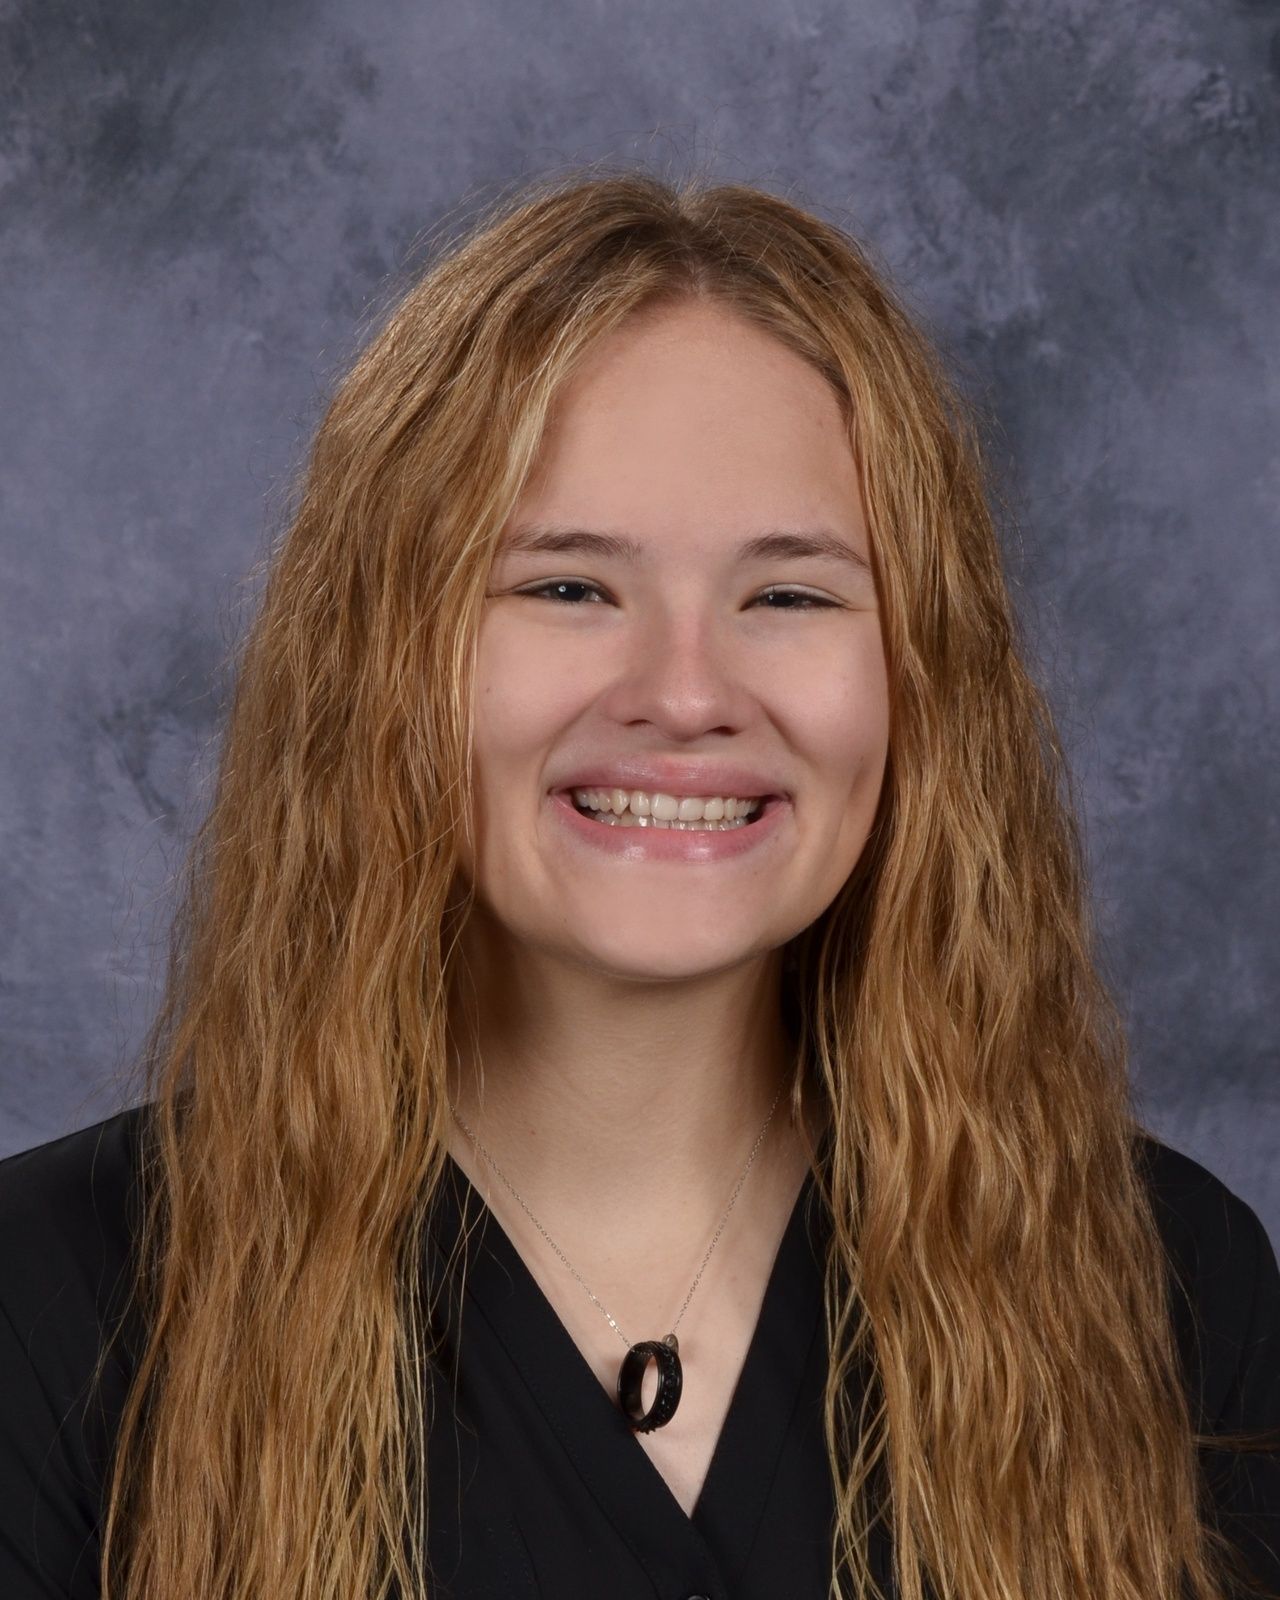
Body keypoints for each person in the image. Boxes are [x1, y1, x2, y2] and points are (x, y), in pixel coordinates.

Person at [0, 168, 1276, 1600]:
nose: (685, 693)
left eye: (788, 595)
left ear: (926, 675)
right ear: (381, 659)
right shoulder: (50, 1309)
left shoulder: (1166, 1285)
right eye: (567, 587)